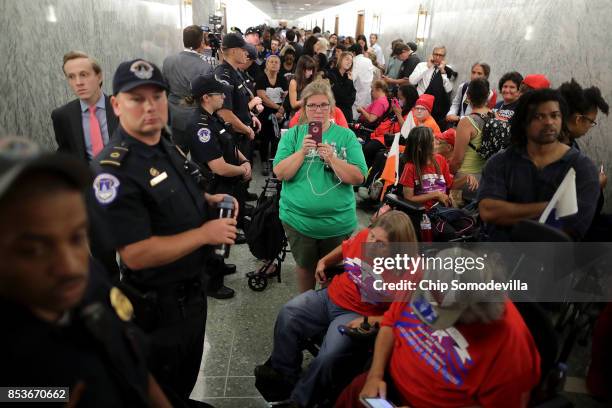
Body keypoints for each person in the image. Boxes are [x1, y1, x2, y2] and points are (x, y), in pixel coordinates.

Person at [91, 58, 238, 407]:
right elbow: (135, 253)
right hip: (160, 306)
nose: (149, 106)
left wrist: (208, 198)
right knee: (166, 390)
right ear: (115, 104)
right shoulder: (113, 170)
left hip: (192, 292)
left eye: (157, 97)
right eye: (136, 98)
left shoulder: (161, 142)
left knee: (184, 381)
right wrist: (205, 234)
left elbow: (177, 191)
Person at [0, 136, 171, 407]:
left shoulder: (88, 279)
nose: (70, 267)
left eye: (77, 237)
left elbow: (132, 366)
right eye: (33, 250)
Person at [336, 248, 542, 408]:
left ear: (475, 313)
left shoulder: (512, 347)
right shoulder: (424, 274)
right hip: (383, 385)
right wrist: (375, 376)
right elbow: (390, 323)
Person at [254, 211, 417, 408]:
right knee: (288, 313)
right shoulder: (366, 237)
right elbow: (345, 247)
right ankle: (285, 378)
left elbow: (406, 316)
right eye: (372, 236)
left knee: (328, 356)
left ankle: (301, 401)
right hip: (330, 296)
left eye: (380, 243)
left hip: (356, 313)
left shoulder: (409, 271)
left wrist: (372, 321)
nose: (372, 244)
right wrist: (324, 261)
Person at [273, 80, 368, 293]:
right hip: (299, 221)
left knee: (331, 272)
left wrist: (333, 159)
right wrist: (302, 152)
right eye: (312, 105)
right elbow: (280, 173)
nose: (318, 110)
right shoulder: (295, 134)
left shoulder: (346, 136)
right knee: (305, 267)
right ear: (304, 108)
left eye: (323, 105)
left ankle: (326, 308)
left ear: (331, 108)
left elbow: (359, 177)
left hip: (337, 224)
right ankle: (306, 303)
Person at [478, 88, 600, 241]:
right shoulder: (500, 162)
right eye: (539, 116)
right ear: (523, 122)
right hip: (499, 258)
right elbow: (489, 211)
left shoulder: (582, 168)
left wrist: (510, 214)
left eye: (555, 115)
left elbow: (572, 227)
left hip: (553, 260)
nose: (549, 122)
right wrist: (552, 207)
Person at [186, 75, 253, 300]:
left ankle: (220, 265)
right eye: (219, 93)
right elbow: (218, 167)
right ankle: (212, 283)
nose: (224, 96)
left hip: (228, 185)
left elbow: (230, 147)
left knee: (225, 229)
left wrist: (244, 161)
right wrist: (242, 171)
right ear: (206, 97)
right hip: (215, 186)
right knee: (215, 235)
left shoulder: (213, 118)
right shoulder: (199, 125)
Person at [52, 51, 119, 161]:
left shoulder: (122, 106)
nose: (78, 82)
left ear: (99, 77)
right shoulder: (62, 116)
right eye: (71, 77)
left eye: (83, 75)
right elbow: (65, 155)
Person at [162, 25, 214, 152]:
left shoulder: (168, 61)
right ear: (201, 42)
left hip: (174, 117)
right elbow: (207, 98)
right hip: (197, 119)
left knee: (178, 155)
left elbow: (164, 90)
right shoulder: (205, 67)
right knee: (199, 156)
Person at [399, 126, 471, 209]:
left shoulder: (440, 159)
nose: (437, 142)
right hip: (424, 213)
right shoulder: (410, 167)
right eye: (433, 140)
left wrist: (466, 178)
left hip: (443, 209)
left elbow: (450, 185)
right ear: (420, 147)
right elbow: (408, 198)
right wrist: (436, 195)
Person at [449, 78, 491, 204]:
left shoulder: (466, 122)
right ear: (488, 95)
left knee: (452, 217)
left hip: (466, 181)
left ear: (468, 96)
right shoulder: (495, 116)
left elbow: (457, 160)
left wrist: (449, 176)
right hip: (485, 180)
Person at [256, 54, 289, 175]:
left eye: (277, 62)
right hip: (265, 111)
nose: (274, 64)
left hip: (280, 111)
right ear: (267, 64)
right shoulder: (261, 78)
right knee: (265, 137)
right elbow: (263, 97)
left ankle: (275, 161)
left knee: (277, 138)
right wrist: (278, 108)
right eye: (271, 62)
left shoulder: (282, 79)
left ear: (280, 66)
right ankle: (264, 162)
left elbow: (286, 96)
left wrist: (281, 110)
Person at [409, 45, 456, 127]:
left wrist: (442, 72)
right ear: (432, 54)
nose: (437, 57)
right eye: (435, 54)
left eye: (440, 55)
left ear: (444, 57)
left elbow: (449, 89)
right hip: (420, 103)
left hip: (436, 107)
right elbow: (412, 81)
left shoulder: (447, 69)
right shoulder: (422, 65)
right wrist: (427, 67)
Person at [326, 51, 356, 123]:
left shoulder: (348, 77)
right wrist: (349, 82)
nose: (349, 62)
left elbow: (352, 98)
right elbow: (339, 96)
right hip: (334, 114)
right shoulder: (331, 74)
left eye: (351, 61)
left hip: (347, 115)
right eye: (347, 59)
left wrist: (349, 81)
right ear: (340, 59)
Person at [349, 44, 375, 121]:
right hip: (368, 93)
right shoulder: (368, 60)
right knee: (363, 117)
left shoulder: (355, 62)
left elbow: (352, 78)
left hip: (357, 92)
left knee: (354, 118)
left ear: (353, 53)